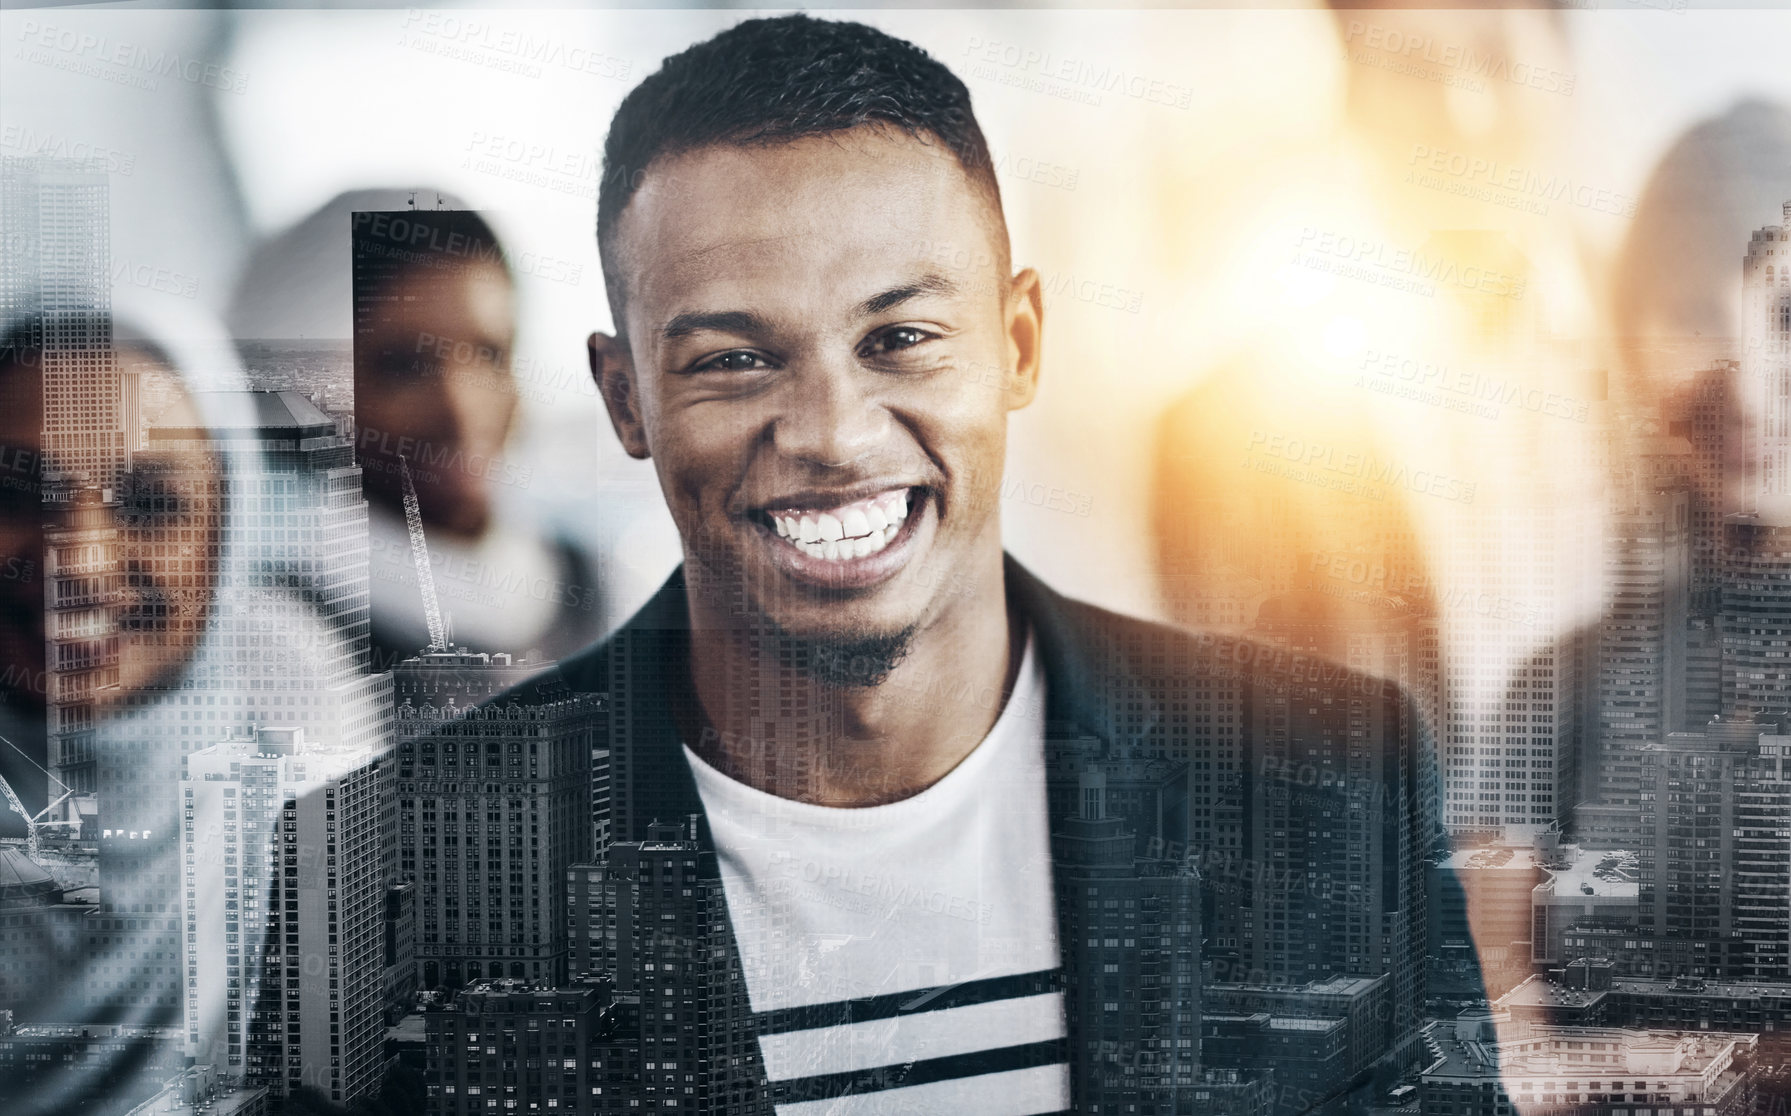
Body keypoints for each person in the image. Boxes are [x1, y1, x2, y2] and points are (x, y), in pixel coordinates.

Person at [484, 14, 1449, 1113]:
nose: (835, 436)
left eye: (899, 339)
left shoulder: (1331, 783)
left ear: (1020, 344)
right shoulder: (401, 877)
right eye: (737, 360)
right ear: (626, 401)